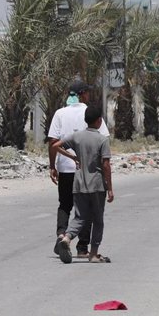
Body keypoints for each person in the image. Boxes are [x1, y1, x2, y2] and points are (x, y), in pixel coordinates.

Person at [48, 80, 110, 259]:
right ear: (83, 94)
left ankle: (62, 235)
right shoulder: (90, 113)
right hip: (87, 171)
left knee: (65, 205)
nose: (89, 95)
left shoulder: (60, 113)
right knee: (86, 210)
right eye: (88, 92)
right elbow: (103, 139)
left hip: (65, 168)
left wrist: (53, 166)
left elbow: (53, 143)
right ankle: (82, 248)